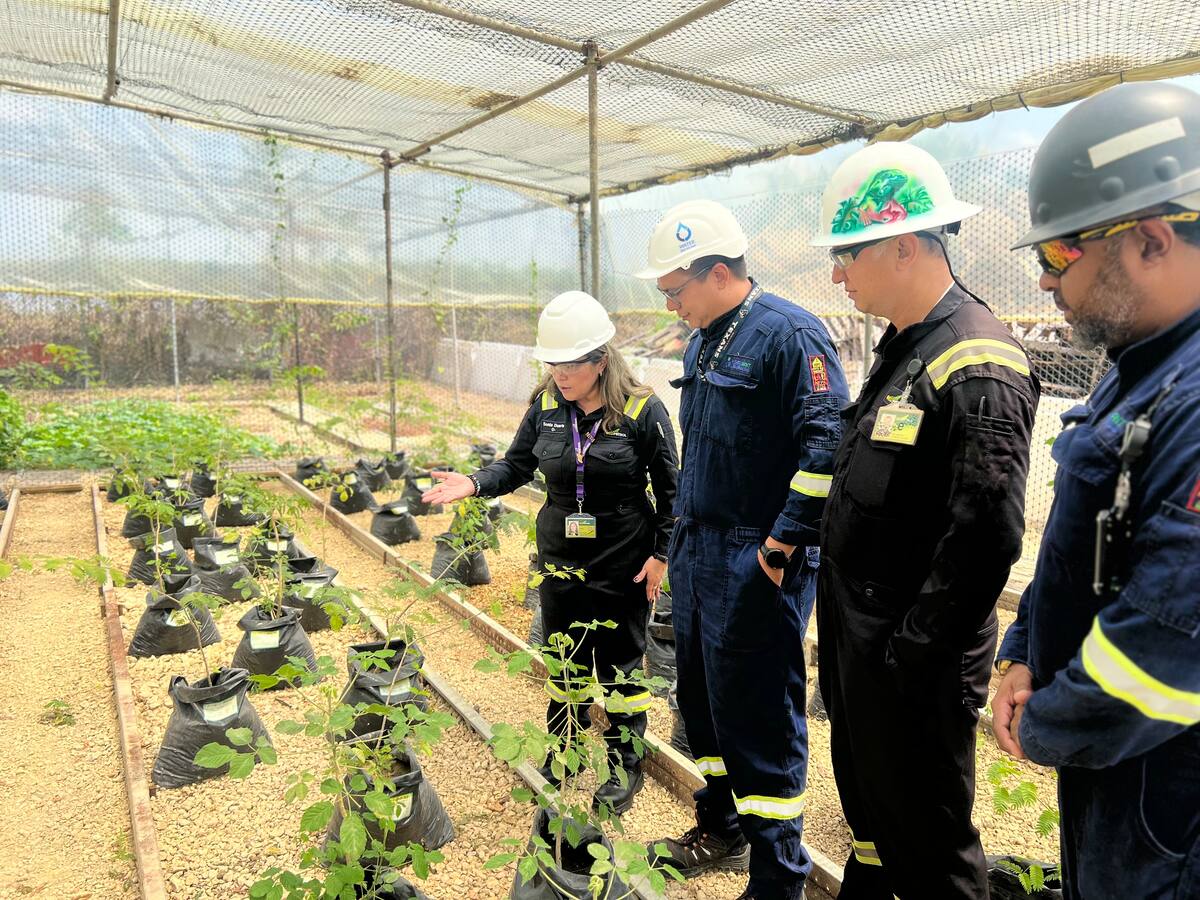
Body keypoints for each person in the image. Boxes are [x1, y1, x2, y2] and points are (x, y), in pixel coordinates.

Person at [811, 142, 1040, 900]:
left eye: (848, 253)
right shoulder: (908, 347)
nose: (837, 273)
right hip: (866, 638)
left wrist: (909, 658)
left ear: (904, 247)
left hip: (911, 659)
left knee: (932, 844)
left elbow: (985, 539)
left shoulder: (977, 361)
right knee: (875, 820)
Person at [993, 81, 1200, 900]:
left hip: (1168, 804)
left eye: (1058, 254)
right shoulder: (1144, 368)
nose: (1046, 283)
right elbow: (1084, 544)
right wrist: (1019, 652)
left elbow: (1166, 640)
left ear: (1149, 238)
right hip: (1121, 779)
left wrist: (1042, 723)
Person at [638, 199, 848, 900]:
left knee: (758, 712)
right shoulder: (703, 341)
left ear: (718, 272)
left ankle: (778, 874)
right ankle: (722, 827)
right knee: (700, 702)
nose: (671, 305)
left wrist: (784, 538)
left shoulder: (792, 336)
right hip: (701, 551)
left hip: (756, 555)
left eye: (675, 291)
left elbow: (826, 445)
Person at [422, 290, 678, 815]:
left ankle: (625, 761)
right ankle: (564, 749)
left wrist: (662, 555)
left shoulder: (642, 409)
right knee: (564, 656)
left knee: (622, 664)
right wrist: (473, 483)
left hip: (624, 555)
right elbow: (515, 466)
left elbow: (674, 490)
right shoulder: (544, 405)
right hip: (561, 553)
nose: (559, 375)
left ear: (600, 361)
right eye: (551, 363)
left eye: (570, 365)